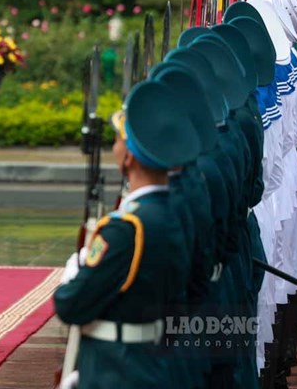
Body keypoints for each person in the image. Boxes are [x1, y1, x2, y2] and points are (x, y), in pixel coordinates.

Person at [54, 80, 199, 389]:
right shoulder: (177, 211)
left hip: (117, 368)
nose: (114, 146)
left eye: (118, 139)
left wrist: (74, 274)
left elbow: (71, 305)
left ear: (129, 157)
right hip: (155, 361)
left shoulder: (125, 229)